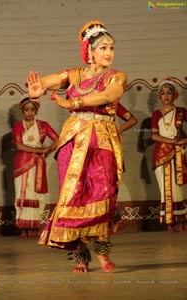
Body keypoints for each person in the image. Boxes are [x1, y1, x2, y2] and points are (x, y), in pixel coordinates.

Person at [27, 20, 127, 272]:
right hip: (74, 140)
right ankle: (81, 256)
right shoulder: (77, 74)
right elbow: (55, 79)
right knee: (74, 195)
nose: (108, 53)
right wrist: (41, 87)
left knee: (102, 193)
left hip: (102, 139)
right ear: (90, 51)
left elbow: (107, 96)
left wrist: (72, 104)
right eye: (103, 48)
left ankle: (103, 250)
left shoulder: (117, 76)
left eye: (112, 48)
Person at [13, 95, 59, 238]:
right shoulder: (17, 126)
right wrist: (40, 150)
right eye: (26, 110)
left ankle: (34, 227)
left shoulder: (43, 125)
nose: (29, 112)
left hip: (37, 164)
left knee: (36, 194)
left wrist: (49, 150)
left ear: (36, 111)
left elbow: (59, 139)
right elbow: (19, 145)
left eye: (32, 109)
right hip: (21, 164)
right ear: (22, 111)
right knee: (22, 194)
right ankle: (23, 228)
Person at [151, 78, 187, 234]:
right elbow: (154, 136)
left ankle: (182, 222)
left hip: (179, 153)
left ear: (175, 95)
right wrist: (173, 141)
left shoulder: (181, 112)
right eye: (163, 93)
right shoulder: (156, 114)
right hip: (161, 155)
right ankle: (169, 223)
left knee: (179, 189)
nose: (166, 96)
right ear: (160, 96)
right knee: (165, 190)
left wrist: (185, 140)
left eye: (169, 93)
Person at [111, 103, 138, 234]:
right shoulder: (88, 103)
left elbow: (132, 120)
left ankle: (114, 219)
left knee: (108, 186)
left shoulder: (112, 103)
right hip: (91, 146)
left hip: (110, 148)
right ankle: (113, 219)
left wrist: (117, 130)